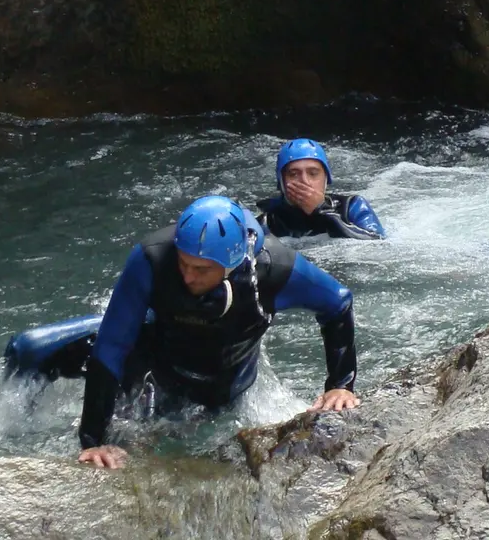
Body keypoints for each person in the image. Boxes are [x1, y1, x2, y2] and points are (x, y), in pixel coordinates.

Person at [78, 195, 359, 470]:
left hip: (229, 388)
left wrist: (340, 384)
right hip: (157, 372)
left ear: (231, 264)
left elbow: (338, 302)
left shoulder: (276, 270)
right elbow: (112, 345)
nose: (188, 276)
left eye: (201, 269)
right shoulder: (151, 258)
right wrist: (92, 440)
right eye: (183, 263)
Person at [257, 138, 385, 240]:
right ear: (282, 182)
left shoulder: (352, 207)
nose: (305, 181)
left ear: (326, 179)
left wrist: (321, 210)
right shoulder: (268, 221)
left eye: (313, 173)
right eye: (294, 174)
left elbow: (376, 242)